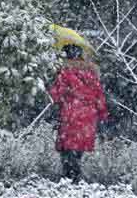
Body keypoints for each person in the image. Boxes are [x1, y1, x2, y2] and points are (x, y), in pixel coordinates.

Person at [48, 43, 109, 183]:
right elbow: (100, 98)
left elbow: (56, 95)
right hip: (88, 119)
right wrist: (103, 116)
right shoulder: (91, 74)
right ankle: (75, 182)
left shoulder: (65, 73)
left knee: (67, 153)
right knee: (77, 152)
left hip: (71, 117)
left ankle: (70, 182)